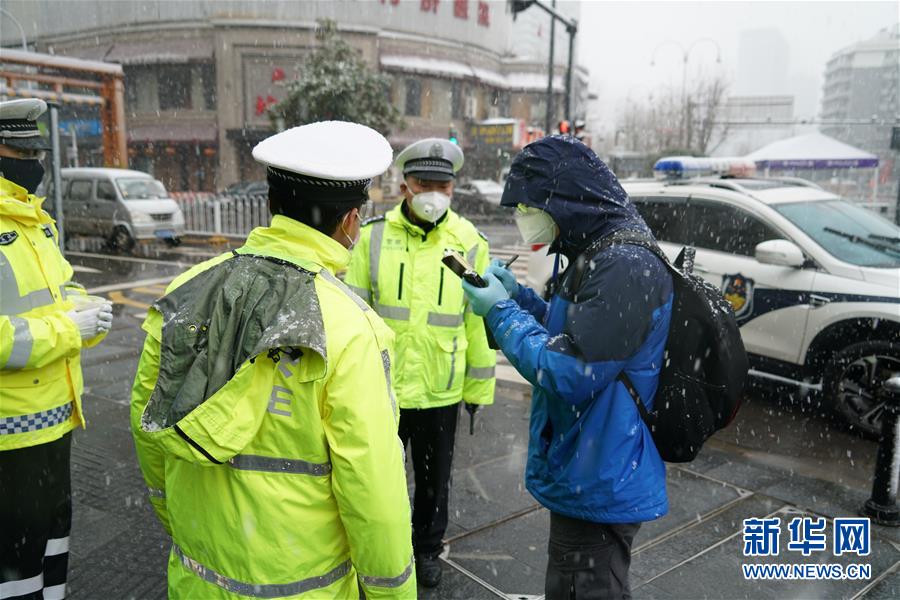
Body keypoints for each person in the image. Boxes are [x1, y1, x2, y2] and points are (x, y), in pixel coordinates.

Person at [130, 121, 416, 598]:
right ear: (350, 221)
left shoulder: (186, 293)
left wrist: (179, 523)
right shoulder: (349, 327)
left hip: (197, 579)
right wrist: (392, 592)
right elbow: (373, 491)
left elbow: (149, 425)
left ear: (271, 204)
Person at [461, 135, 673, 599]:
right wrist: (516, 298)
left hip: (600, 474)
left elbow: (569, 370)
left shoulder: (624, 266)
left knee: (585, 589)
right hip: (587, 464)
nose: (522, 218)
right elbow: (574, 335)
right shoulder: (598, 252)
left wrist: (500, 312)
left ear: (564, 202)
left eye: (528, 206)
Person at [345, 138, 496, 588]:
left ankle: (426, 549)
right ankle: (374, 548)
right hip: (382, 387)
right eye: (423, 183)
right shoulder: (372, 238)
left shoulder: (469, 241)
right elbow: (351, 313)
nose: (433, 193)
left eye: (442, 186)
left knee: (433, 483)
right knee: (374, 478)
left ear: (453, 188)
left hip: (439, 388)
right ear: (405, 185)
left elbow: (477, 320)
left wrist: (477, 389)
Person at [0, 98, 113, 599]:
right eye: (18, 151)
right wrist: (71, 331)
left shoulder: (36, 223)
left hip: (57, 422)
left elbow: (59, 293)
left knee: (51, 547)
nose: (33, 162)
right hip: (9, 436)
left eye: (34, 150)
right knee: (13, 562)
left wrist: (90, 310)